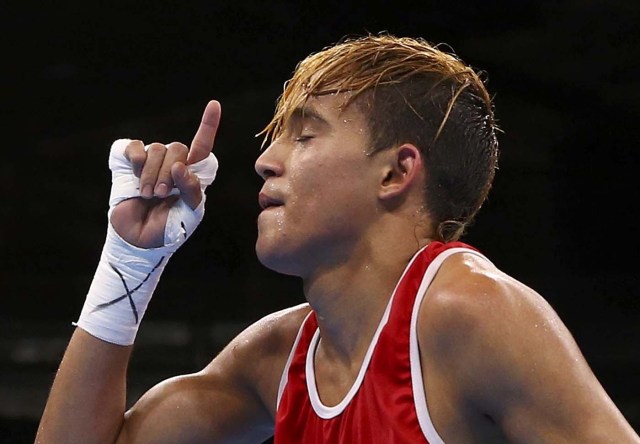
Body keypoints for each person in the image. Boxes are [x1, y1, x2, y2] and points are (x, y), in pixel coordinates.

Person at [35, 34, 639, 443]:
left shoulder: (470, 314)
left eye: (304, 136)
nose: (265, 162)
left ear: (396, 172)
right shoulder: (278, 355)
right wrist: (132, 261)